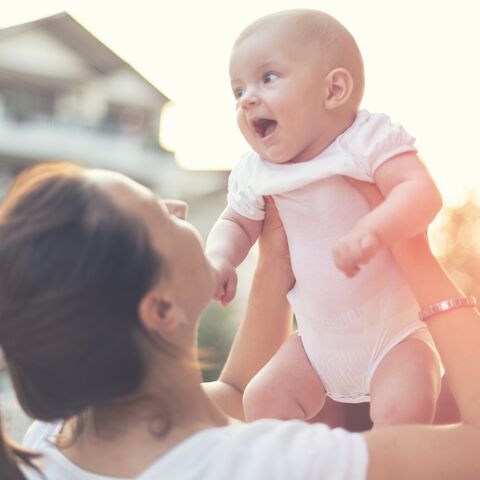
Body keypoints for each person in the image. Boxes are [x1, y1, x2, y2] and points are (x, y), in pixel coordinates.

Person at [0, 162, 479, 479]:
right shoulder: (272, 464)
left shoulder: (51, 438)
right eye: (160, 215)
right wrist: (412, 250)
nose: (179, 207)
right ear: (162, 309)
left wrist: (273, 262)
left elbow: (233, 394)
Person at [206, 9, 443, 426]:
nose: (247, 99)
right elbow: (236, 223)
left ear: (333, 89)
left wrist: (376, 227)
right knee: (263, 399)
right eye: (237, 90)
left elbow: (421, 193)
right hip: (316, 344)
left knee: (402, 412)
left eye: (268, 78)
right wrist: (221, 259)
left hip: (395, 336)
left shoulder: (364, 140)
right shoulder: (257, 170)